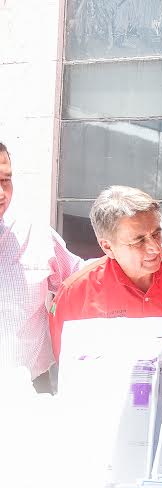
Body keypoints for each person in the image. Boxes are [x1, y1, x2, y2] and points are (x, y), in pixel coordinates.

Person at [49, 186, 162, 358]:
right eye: (139, 241)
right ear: (107, 247)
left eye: (156, 235)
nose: (155, 248)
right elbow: (68, 365)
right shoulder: (75, 294)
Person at [0, 142, 83, 392]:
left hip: (31, 388)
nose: (2, 193)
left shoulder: (34, 235)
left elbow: (82, 282)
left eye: (5, 180)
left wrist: (127, 253)